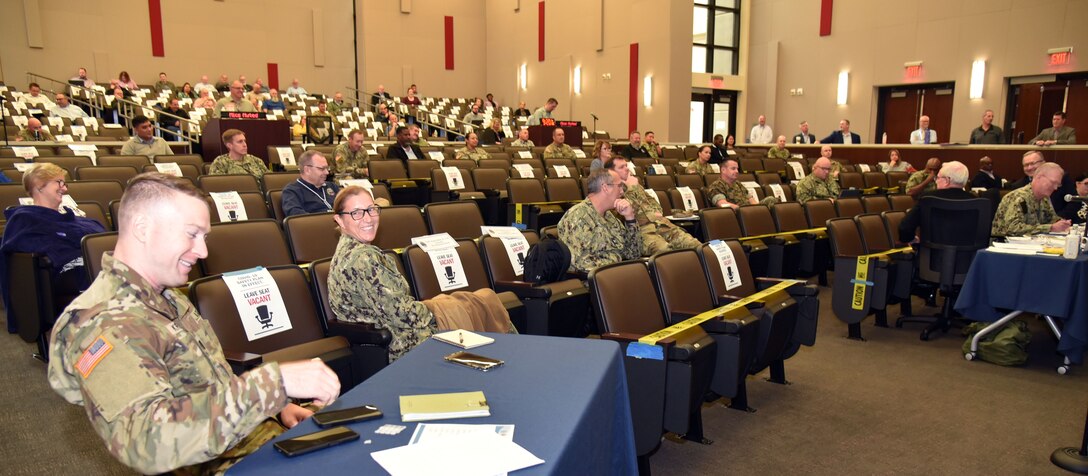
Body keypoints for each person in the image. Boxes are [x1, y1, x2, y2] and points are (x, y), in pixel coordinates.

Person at [47, 173, 340, 474]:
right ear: (142, 228)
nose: (203, 252)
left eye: (204, 237)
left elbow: (208, 379)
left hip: (247, 439)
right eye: (191, 234)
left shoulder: (168, 296)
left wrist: (276, 406)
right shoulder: (103, 320)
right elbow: (145, 441)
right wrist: (271, 385)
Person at [328, 186, 513, 360]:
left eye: (371, 209)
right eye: (356, 213)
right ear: (339, 220)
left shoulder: (345, 250)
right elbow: (404, 315)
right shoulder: (363, 258)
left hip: (390, 334)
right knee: (475, 305)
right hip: (402, 343)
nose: (368, 218)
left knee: (479, 300)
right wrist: (437, 308)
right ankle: (515, 359)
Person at [0, 163, 105, 331]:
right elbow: (36, 245)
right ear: (39, 186)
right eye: (59, 183)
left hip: (86, 262)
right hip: (59, 272)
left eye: (64, 184)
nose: (64, 189)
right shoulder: (24, 218)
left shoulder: (75, 218)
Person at [607, 156, 700, 255]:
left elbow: (653, 203)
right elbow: (628, 212)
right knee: (666, 252)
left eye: (626, 165)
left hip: (661, 224)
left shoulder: (635, 185)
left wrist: (655, 213)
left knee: (694, 245)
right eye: (621, 167)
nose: (627, 169)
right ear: (611, 172)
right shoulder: (611, 190)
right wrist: (633, 188)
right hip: (643, 231)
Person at [557, 169, 641, 273]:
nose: (622, 191)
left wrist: (630, 218)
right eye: (619, 186)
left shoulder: (610, 216)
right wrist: (618, 265)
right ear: (605, 187)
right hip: (595, 282)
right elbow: (579, 263)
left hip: (616, 274)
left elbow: (634, 254)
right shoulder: (578, 216)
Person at [897, 161, 977, 244]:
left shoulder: (928, 199)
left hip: (932, 255)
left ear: (947, 181)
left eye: (938, 178)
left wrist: (912, 239)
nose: (936, 181)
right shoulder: (976, 201)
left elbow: (905, 228)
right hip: (973, 256)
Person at [992, 163, 1071, 237]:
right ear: (1039, 177)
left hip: (1031, 243)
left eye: (1058, 184)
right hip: (1005, 244)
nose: (1055, 188)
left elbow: (1052, 219)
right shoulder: (1018, 197)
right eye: (1053, 182)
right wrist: (1050, 228)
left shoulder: (1044, 198)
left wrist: (1062, 224)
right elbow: (1013, 228)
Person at [1008, 150, 1077, 215]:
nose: (1029, 168)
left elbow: (1074, 202)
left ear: (1043, 163)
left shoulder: (1061, 178)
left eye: (1032, 163)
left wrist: (1058, 220)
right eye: (1026, 165)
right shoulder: (1018, 186)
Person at [282, 151, 340, 217]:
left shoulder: (332, 186)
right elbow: (296, 217)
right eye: (322, 169)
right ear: (307, 170)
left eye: (327, 168)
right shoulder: (292, 191)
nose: (327, 172)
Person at [707, 158, 777, 208]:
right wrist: (742, 210)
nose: (737, 171)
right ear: (723, 170)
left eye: (737, 169)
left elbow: (751, 200)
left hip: (748, 212)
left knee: (771, 200)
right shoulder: (716, 186)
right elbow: (723, 204)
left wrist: (757, 209)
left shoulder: (738, 184)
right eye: (733, 168)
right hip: (734, 216)